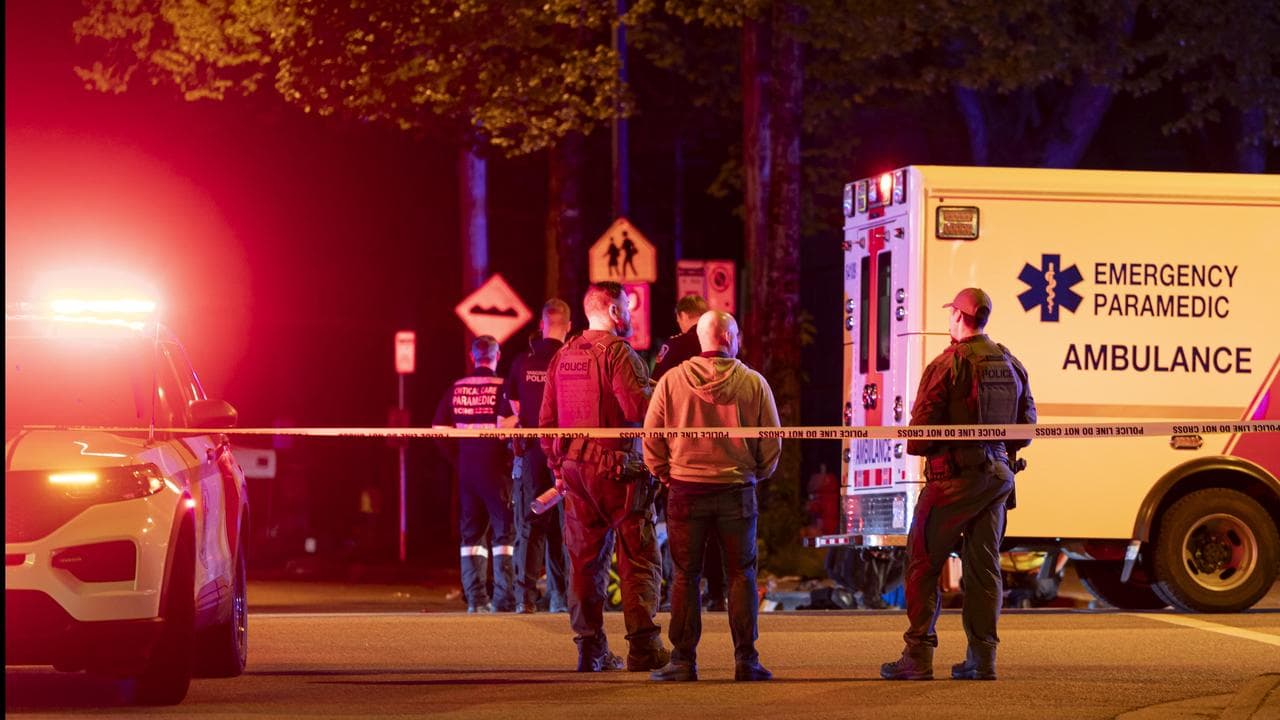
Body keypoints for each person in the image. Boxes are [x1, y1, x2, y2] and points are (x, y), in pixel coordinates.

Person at [880, 288, 1036, 681]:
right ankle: (982, 660)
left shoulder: (947, 364)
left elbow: (918, 438)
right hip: (998, 477)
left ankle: (917, 656)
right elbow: (1026, 429)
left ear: (959, 318)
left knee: (922, 562)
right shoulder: (1012, 363)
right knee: (984, 570)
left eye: (951, 313)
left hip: (952, 481)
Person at [642, 311, 781, 682]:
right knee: (741, 576)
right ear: (731, 337)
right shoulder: (753, 383)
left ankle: (683, 661)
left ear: (702, 339)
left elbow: (651, 436)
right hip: (737, 490)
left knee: (685, 576)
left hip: (686, 489)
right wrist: (756, 472)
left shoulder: (670, 381)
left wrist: (664, 473)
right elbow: (771, 440)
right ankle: (745, 660)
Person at [539, 281, 670, 673]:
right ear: (614, 311)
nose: (630, 315)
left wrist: (557, 468)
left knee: (583, 560)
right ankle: (644, 647)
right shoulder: (619, 354)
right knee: (638, 557)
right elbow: (636, 406)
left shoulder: (562, 357)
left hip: (575, 474)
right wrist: (660, 390)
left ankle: (590, 647)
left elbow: (546, 422)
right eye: (627, 308)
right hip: (618, 474)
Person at [652, 294, 727, 613]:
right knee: (719, 531)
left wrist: (658, 463)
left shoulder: (675, 346)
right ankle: (718, 592)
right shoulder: (728, 348)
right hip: (725, 456)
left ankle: (683, 593)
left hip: (682, 455)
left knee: (684, 530)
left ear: (683, 316)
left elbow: (654, 393)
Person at [433, 335, 517, 613]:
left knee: (471, 537)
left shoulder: (457, 388)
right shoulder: (502, 387)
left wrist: (457, 458)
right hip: (496, 470)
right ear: (498, 355)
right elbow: (512, 428)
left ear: (472, 356)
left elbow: (438, 430)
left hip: (467, 470)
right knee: (504, 535)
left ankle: (476, 599)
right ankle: (504, 599)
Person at [505, 300, 573, 614]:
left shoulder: (522, 363)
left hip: (533, 454)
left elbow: (513, 411)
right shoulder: (574, 361)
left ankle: (526, 600)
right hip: (568, 453)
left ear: (543, 324)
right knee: (565, 526)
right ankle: (562, 598)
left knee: (531, 524)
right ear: (569, 327)